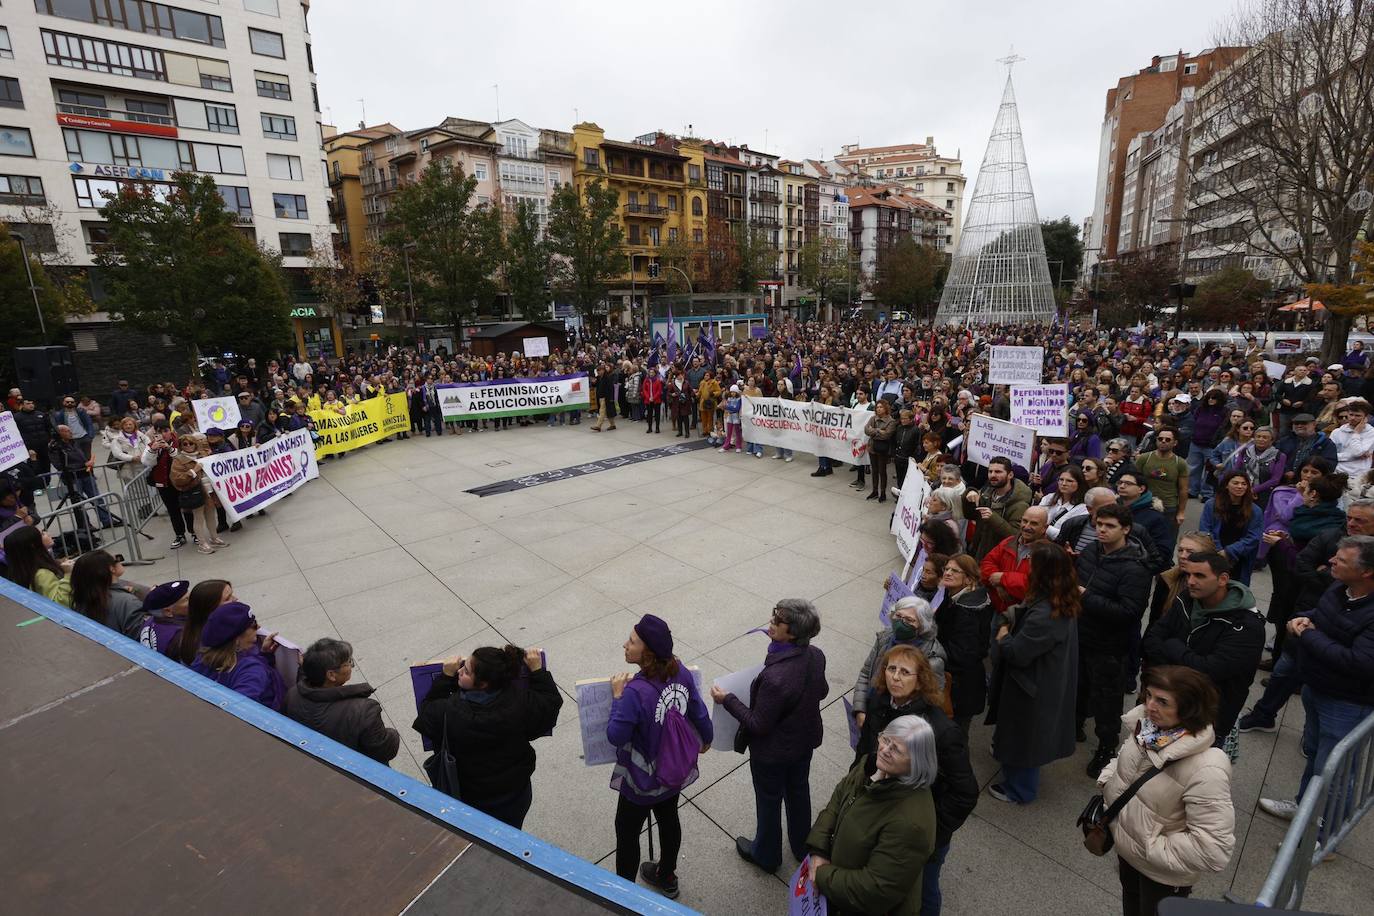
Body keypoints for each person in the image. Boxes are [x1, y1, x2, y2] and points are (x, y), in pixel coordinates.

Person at [1098, 666, 1235, 916]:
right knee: (1130, 904)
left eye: (1162, 701)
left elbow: (1214, 849)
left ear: (1190, 708)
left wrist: (1149, 846)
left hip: (1161, 873)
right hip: (1127, 849)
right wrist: (1108, 781)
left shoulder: (1208, 768)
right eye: (1148, 695)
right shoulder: (1146, 728)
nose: (1150, 706)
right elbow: (1123, 759)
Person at [1259, 536, 1374, 831]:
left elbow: (1357, 662)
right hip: (1316, 685)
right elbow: (1321, 613)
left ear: (1367, 573)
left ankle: (1326, 835)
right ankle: (1304, 806)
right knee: (1315, 755)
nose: (1332, 562)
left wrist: (1308, 635)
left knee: (1334, 771)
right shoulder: (1340, 587)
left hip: (1347, 702)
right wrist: (1302, 619)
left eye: (1342, 560)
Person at [710, 598, 828, 874]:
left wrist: (727, 699)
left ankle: (766, 854)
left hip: (772, 753)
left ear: (794, 633)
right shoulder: (816, 656)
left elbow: (758, 723)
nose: (770, 623)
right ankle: (802, 846)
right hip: (804, 742)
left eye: (777, 621)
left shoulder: (775, 677)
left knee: (769, 799)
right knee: (799, 791)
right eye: (773, 616)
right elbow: (821, 691)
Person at [607, 614, 712, 899]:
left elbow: (616, 736)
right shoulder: (682, 673)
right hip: (673, 773)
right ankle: (667, 875)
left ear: (648, 652)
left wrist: (617, 697)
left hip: (641, 782)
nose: (625, 645)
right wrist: (707, 738)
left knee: (627, 833)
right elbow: (699, 712)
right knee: (668, 819)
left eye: (632, 641)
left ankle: (625, 894)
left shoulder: (634, 692)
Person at [805, 715, 939, 916]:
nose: (885, 750)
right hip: (838, 890)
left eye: (896, 750)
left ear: (916, 762)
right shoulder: (871, 766)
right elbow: (838, 798)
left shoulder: (911, 824)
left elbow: (875, 890)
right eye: (886, 740)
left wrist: (822, 875)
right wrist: (819, 850)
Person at [986, 542, 1081, 804]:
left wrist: (1003, 636)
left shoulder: (1046, 614)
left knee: (1025, 740)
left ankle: (1019, 790)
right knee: (1022, 736)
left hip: (1031, 687)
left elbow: (1018, 652)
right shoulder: (1059, 596)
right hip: (1039, 682)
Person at [1143, 550, 1263, 755]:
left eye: (1199, 576)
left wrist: (1172, 647)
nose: (1190, 581)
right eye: (1188, 574)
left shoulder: (1246, 626)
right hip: (1166, 710)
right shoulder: (1186, 599)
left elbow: (1210, 670)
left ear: (1223, 579)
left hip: (1206, 720)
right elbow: (1151, 639)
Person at [1076, 503, 1153, 777]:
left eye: (1109, 526)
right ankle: (1075, 727)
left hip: (1109, 646)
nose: (1102, 530)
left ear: (1126, 529)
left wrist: (1085, 596)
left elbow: (1129, 612)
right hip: (1079, 634)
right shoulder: (1089, 551)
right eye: (1099, 525)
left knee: (1106, 703)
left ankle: (1107, 748)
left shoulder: (1135, 568)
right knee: (1078, 687)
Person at [285, 638, 401, 766]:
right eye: (348, 662)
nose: (351, 666)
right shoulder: (364, 710)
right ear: (331, 675)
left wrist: (304, 670)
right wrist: (392, 735)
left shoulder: (292, 694)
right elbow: (384, 750)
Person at [854, 597, 948, 724]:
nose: (901, 623)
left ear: (922, 626)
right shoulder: (885, 637)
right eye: (898, 616)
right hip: (874, 711)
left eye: (909, 620)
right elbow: (866, 673)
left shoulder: (932, 657)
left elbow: (931, 699)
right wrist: (860, 710)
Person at [190, 601, 287, 711]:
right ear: (236, 639)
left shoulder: (203, 658)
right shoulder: (252, 671)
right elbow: (240, 711)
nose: (258, 627)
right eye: (253, 625)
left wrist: (265, 655)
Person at [935, 554, 992, 733]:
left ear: (968, 579)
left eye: (955, 571)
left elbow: (961, 653)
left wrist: (931, 648)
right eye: (947, 569)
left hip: (960, 690)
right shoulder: (955, 596)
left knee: (953, 742)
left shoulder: (967, 612)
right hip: (959, 685)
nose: (948, 573)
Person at [980, 505, 1050, 614]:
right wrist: (998, 585)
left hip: (1025, 615)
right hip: (997, 608)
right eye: (1025, 521)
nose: (1027, 526)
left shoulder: (1049, 553)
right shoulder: (1009, 542)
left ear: (1044, 528)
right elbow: (986, 564)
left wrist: (1003, 578)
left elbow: (1036, 586)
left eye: (1034, 523)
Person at [1199, 471, 1265, 585]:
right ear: (1226, 485)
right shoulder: (1211, 505)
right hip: (1213, 556)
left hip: (1240, 560)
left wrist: (1229, 552)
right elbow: (1205, 531)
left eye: (1244, 484)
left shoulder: (1255, 511)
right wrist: (1219, 551)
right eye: (1235, 483)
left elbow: (1254, 537)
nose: (1240, 486)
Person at [965, 456, 1032, 561]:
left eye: (998, 472)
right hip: (978, 552)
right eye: (990, 471)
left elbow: (1016, 535)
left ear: (1010, 475)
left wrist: (993, 518)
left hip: (999, 558)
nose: (993, 475)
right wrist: (969, 494)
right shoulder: (986, 493)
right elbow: (969, 515)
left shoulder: (1020, 504)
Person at [69, 550, 148, 638]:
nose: (120, 561)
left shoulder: (82, 600)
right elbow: (145, 637)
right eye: (117, 559)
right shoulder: (128, 602)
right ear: (111, 568)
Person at [1135, 426, 1189, 532]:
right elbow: (1134, 480)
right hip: (1145, 503)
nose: (1163, 441)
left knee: (1167, 540)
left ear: (1175, 443)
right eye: (1160, 439)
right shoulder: (1144, 458)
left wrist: (1181, 512)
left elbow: (1183, 489)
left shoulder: (1180, 463)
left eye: (1168, 439)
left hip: (1169, 507)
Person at [3, 524, 72, 606]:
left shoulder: (24, 569)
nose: (47, 533)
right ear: (33, 545)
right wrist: (68, 574)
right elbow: (59, 602)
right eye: (42, 534)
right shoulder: (42, 574)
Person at [1225, 425, 1286, 507]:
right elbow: (1236, 471)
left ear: (1272, 440)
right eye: (1258, 436)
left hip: (1265, 495)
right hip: (1242, 491)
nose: (1261, 439)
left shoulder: (1279, 456)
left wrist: (1253, 490)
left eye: (1265, 437)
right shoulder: (1245, 451)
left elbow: (1275, 480)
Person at [136, 580, 192, 660]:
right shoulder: (181, 636)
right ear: (168, 611)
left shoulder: (150, 622)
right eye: (186, 600)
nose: (193, 601)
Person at [1276, 413, 1337, 484]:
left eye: (1304, 423)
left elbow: (1330, 464)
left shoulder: (1325, 443)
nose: (1299, 426)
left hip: (1315, 483)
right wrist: (1285, 471)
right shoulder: (1284, 441)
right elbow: (1276, 459)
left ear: (1314, 424)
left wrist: (1311, 474)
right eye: (1296, 423)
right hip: (1287, 481)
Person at [1331, 398, 1374, 488]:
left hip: (1359, 476)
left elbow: (1358, 452)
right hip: (1338, 473)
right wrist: (1351, 456)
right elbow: (1330, 455)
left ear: (1366, 417)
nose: (1353, 418)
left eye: (1357, 415)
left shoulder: (1371, 432)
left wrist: (1356, 433)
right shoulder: (1337, 432)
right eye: (1351, 415)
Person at [864, 398, 898, 502]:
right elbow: (866, 430)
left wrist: (874, 431)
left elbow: (887, 435)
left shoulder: (891, 421)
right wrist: (879, 431)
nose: (878, 409)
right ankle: (875, 491)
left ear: (885, 408)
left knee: (882, 471)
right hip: (872, 447)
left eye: (881, 407)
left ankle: (882, 492)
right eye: (877, 407)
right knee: (874, 470)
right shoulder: (873, 418)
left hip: (883, 449)